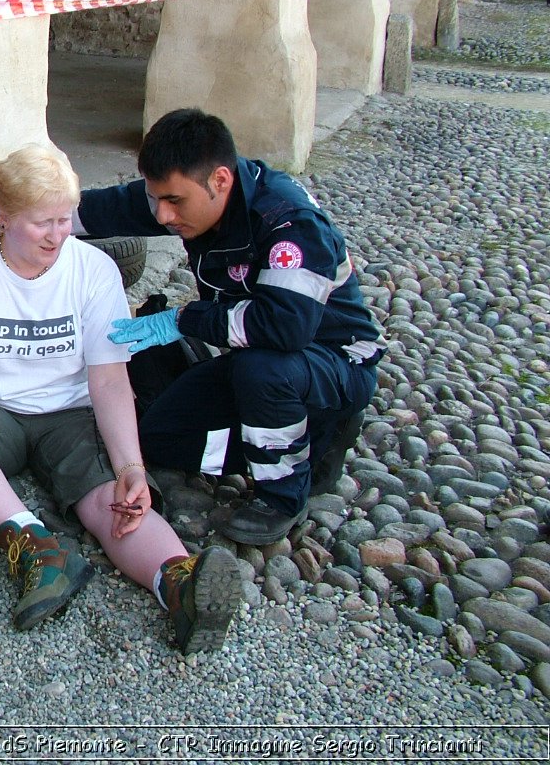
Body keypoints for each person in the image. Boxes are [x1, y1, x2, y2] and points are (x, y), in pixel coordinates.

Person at [0, 145, 241, 653]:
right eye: (42, 222)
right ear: (2, 217)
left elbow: (109, 379)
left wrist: (130, 463)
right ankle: (35, 548)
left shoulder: (93, 269)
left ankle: (177, 584)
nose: (58, 235)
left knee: (114, 498)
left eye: (65, 219)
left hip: (69, 413)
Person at [76, 109, 384, 545]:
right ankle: (286, 439)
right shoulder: (194, 200)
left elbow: (285, 328)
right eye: (157, 198)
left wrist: (185, 320)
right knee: (157, 438)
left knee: (264, 370)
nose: (163, 215)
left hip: (331, 361)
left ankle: (285, 490)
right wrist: (34, 213)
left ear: (220, 180)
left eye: (174, 202)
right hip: (253, 355)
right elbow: (113, 209)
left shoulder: (290, 225)